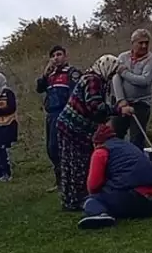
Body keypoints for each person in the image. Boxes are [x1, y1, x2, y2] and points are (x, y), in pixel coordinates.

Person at [55, 55, 133, 211]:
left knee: (73, 164)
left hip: (72, 127)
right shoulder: (93, 80)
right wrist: (119, 110)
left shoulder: (94, 79)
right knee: (77, 163)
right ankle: (76, 200)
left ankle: (72, 199)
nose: (112, 77)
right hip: (73, 128)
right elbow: (95, 106)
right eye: (112, 73)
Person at [78, 123, 152, 229]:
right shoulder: (129, 146)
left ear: (96, 143)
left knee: (91, 200)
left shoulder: (101, 151)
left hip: (135, 198)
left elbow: (93, 185)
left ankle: (100, 214)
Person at [36, 45, 81, 192]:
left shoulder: (72, 73)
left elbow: (75, 95)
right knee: (51, 149)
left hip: (64, 113)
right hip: (51, 114)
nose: (56, 58)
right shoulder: (50, 75)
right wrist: (44, 73)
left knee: (62, 147)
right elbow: (39, 88)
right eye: (54, 55)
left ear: (65, 56)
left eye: (59, 54)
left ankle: (69, 180)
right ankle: (59, 179)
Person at [112, 28, 152, 149]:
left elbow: (144, 81)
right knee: (115, 135)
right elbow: (115, 78)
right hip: (122, 104)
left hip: (141, 104)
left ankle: (136, 165)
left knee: (136, 139)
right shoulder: (122, 57)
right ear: (132, 43)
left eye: (146, 43)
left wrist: (125, 73)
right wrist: (121, 100)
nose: (144, 46)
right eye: (140, 43)